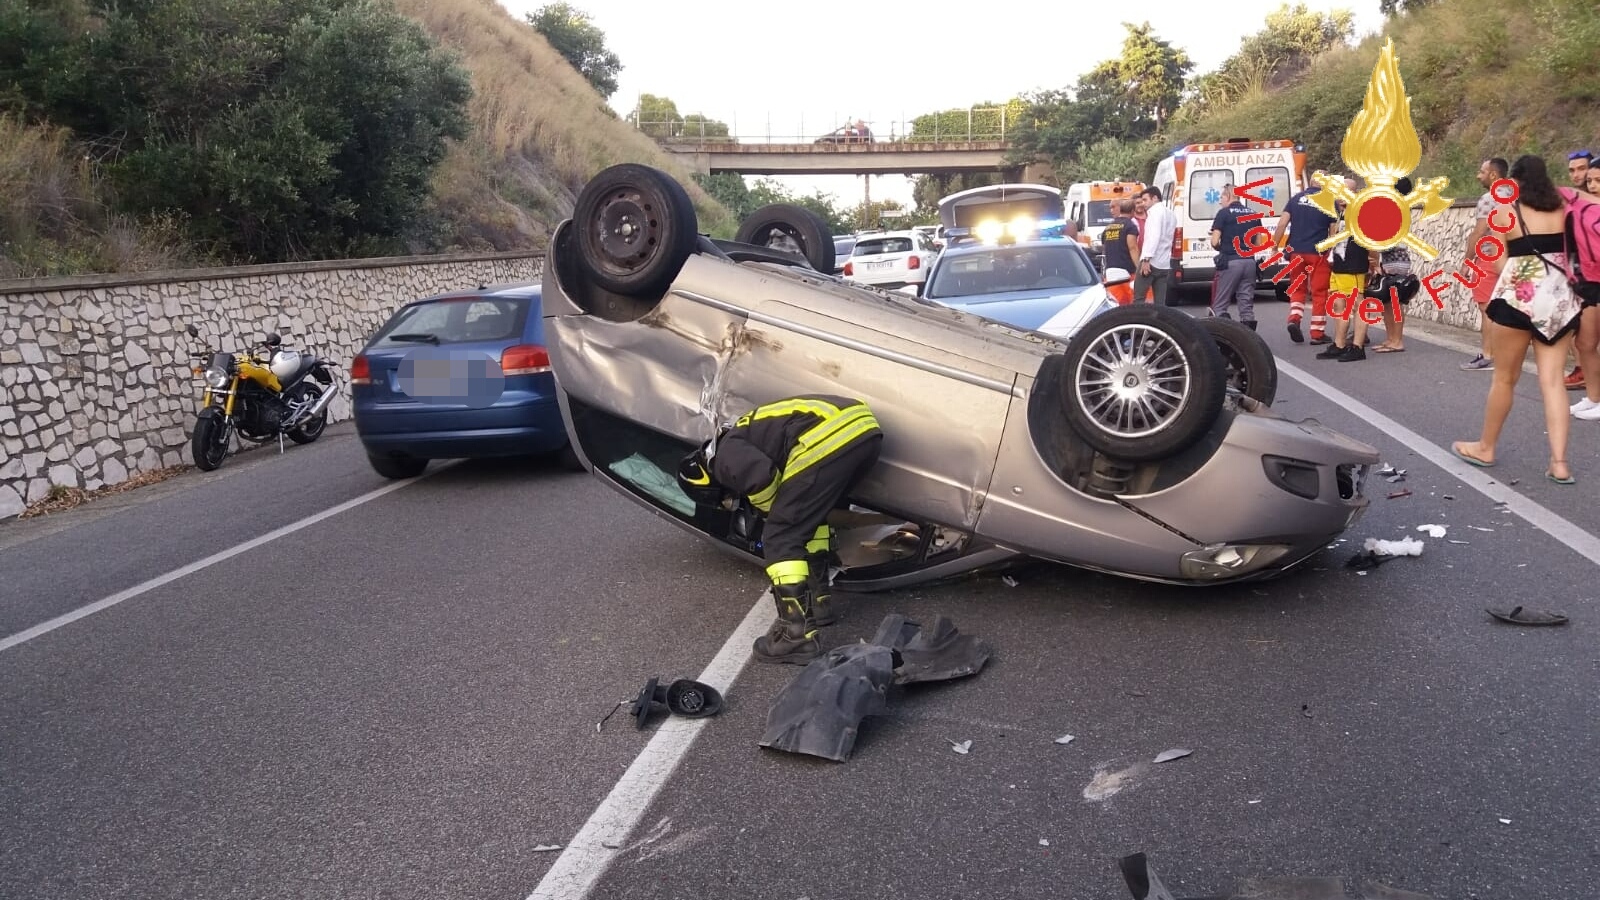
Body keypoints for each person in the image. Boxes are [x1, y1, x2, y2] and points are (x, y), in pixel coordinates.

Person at [677, 395, 884, 664]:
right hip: (861, 431)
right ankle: (819, 603)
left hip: (827, 436)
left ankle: (795, 638)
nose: (732, 500)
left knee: (780, 534)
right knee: (810, 519)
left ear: (707, 482)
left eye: (725, 498)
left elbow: (761, 477)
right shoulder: (743, 433)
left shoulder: (723, 456)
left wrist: (770, 512)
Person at [1452, 155, 1584, 484]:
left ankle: (1486, 447)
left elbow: (1498, 263)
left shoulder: (1504, 212)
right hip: (1559, 303)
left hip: (1517, 300)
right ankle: (1559, 463)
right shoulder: (1564, 212)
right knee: (1553, 382)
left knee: (1504, 379)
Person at [1274, 169, 1340, 344]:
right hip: (1318, 253)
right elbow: (1333, 232)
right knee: (1319, 293)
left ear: (1310, 182)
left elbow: (1282, 223)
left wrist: (1274, 246)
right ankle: (1317, 333)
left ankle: (1294, 318)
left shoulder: (1296, 199)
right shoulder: (1329, 202)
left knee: (1297, 289)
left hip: (1296, 252)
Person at [1461, 158, 1510, 371]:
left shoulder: (1489, 198)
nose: (1478, 176)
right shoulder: (1518, 196)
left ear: (1493, 175)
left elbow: (1479, 231)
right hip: (1514, 258)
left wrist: (1467, 261)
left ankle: (1489, 355)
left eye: (1482, 172)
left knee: (1486, 308)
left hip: (1490, 256)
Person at [1317, 175, 1370, 361]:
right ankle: (1339, 344)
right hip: (1339, 264)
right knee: (1339, 304)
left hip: (1353, 265)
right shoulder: (1342, 211)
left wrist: (1373, 262)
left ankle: (1358, 347)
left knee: (1357, 304)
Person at [1570, 165, 1600, 420]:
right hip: (1587, 282)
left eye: (1598, 180)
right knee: (1585, 343)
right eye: (1590, 181)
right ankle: (1593, 397)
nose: (1592, 185)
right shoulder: (1580, 210)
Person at [1208, 182, 1259, 327]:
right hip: (1249, 263)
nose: (1220, 200)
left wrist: (1221, 247)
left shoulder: (1223, 214)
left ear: (1229, 195)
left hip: (1230, 261)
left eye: (1222, 197)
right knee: (1246, 304)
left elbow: (1214, 241)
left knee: (1220, 303)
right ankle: (1249, 338)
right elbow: (1257, 243)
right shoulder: (1252, 213)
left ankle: (1225, 334)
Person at [1563, 150, 1594, 390]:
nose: (1577, 175)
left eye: (1581, 169)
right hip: (1579, 274)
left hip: (1594, 278)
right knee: (1582, 335)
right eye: (1572, 170)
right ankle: (1584, 376)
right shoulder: (1573, 202)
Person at [1133, 186, 1176, 305]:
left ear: (1155, 198)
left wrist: (1146, 259)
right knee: (1160, 303)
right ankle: (1159, 323)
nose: (1143, 204)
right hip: (1164, 263)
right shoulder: (1170, 214)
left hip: (1151, 262)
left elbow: (1153, 236)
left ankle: (1139, 322)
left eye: (1145, 200)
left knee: (1139, 298)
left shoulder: (1154, 213)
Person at [1101, 198, 1141, 304]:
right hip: (1127, 271)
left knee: (1115, 303)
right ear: (1132, 211)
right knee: (1131, 304)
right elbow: (1132, 247)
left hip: (1110, 272)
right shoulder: (1130, 226)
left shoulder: (1108, 228)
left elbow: (1105, 249)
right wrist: (1139, 267)